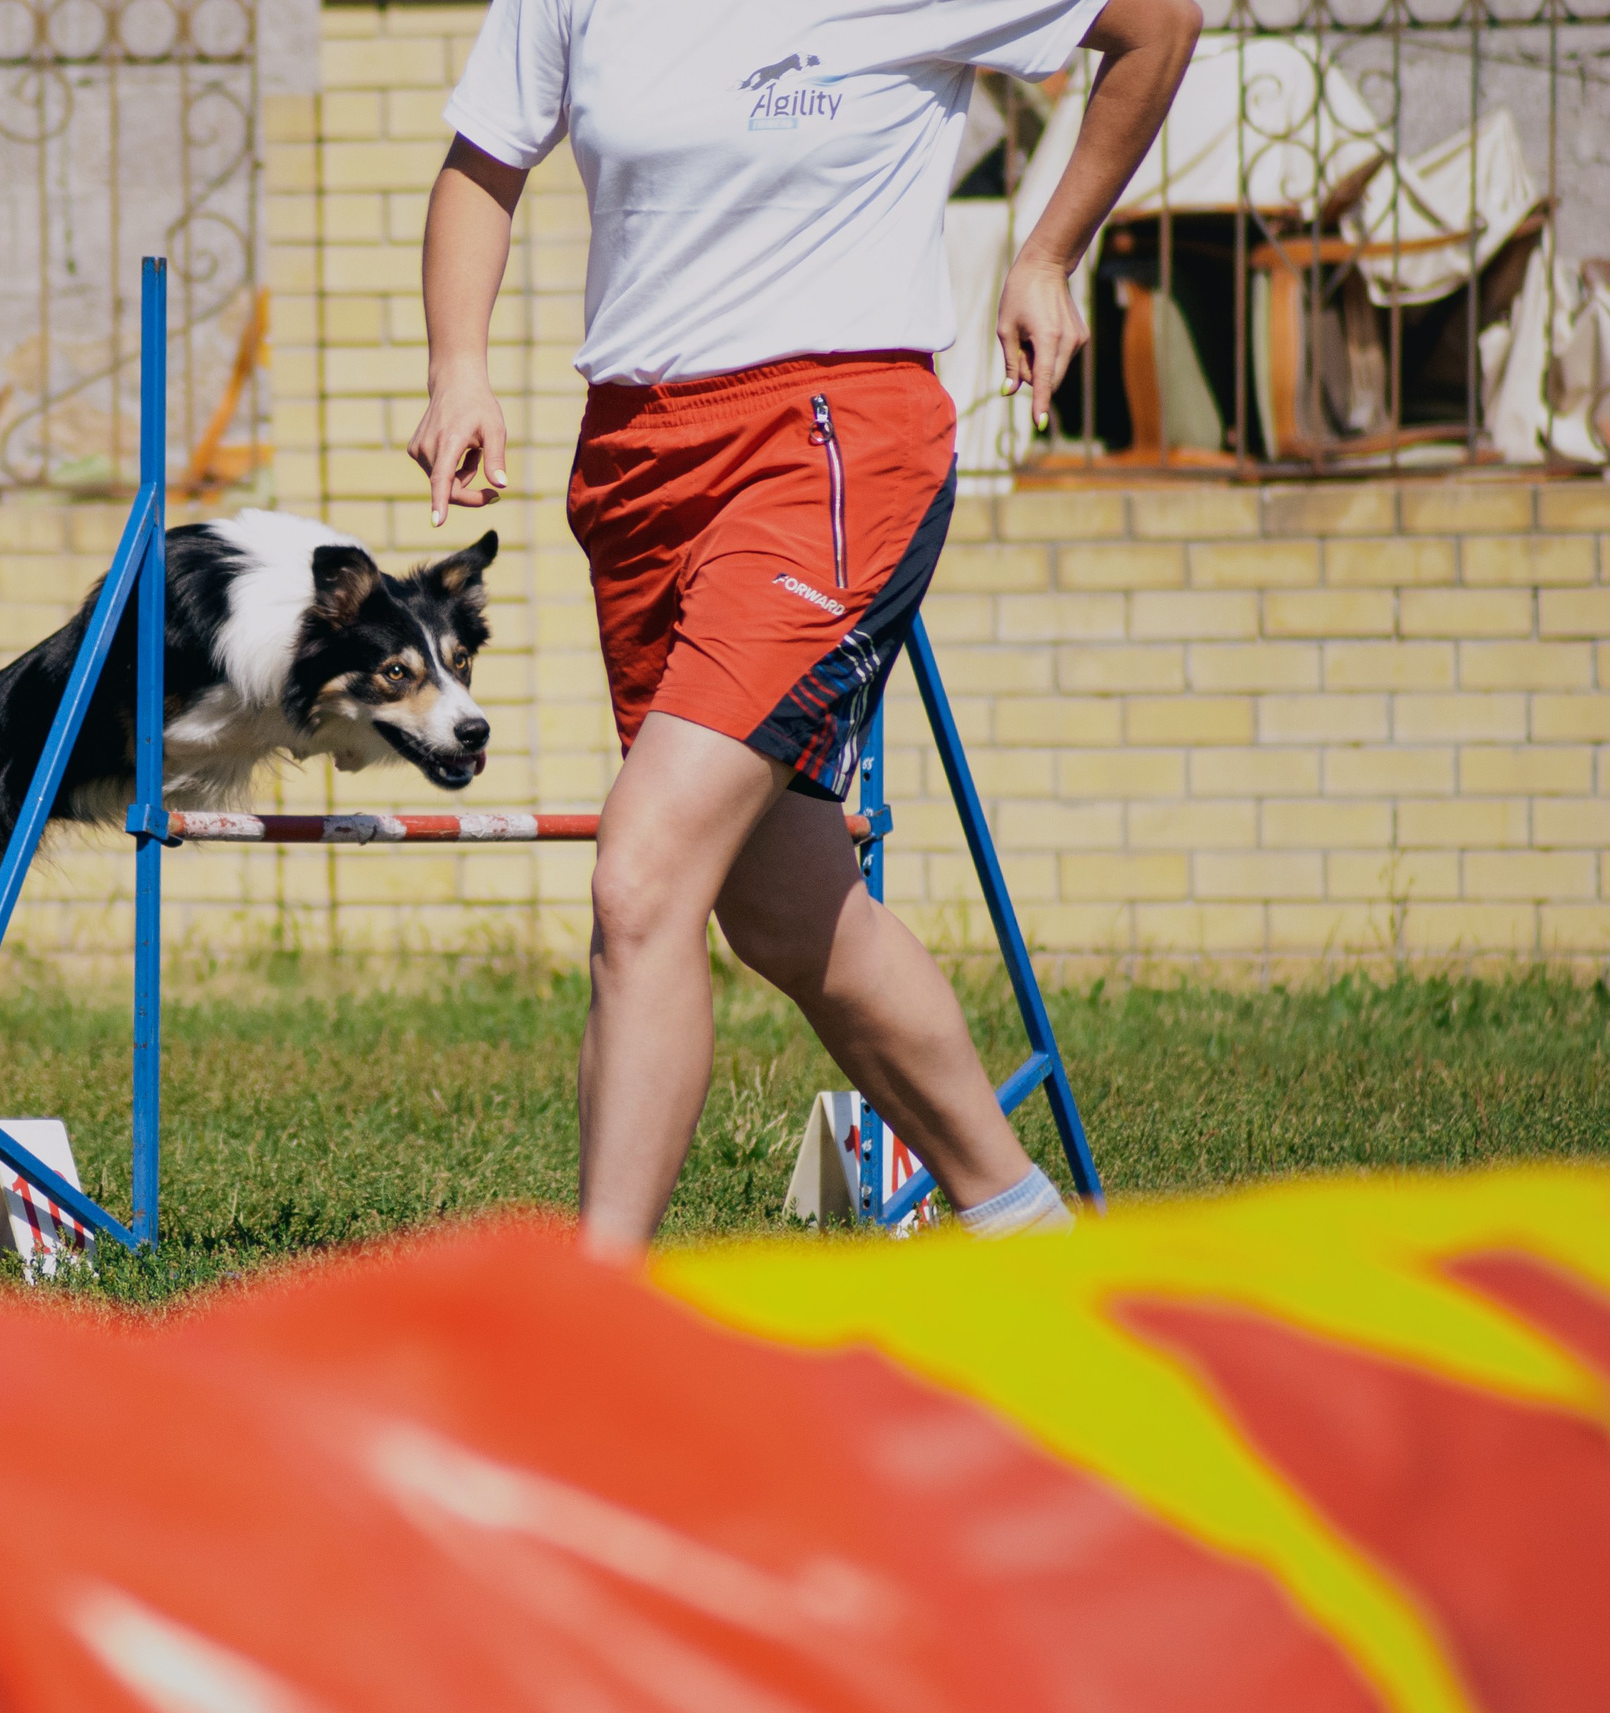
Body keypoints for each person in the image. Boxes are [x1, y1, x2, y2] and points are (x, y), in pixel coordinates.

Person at [410, 0, 1199, 1256]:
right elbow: (483, 162)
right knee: (781, 908)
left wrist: (1047, 252)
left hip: (828, 440)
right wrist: (459, 364)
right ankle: (1034, 1234)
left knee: (643, 873)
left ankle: (598, 1314)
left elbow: (1155, 27)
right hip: (633, 458)